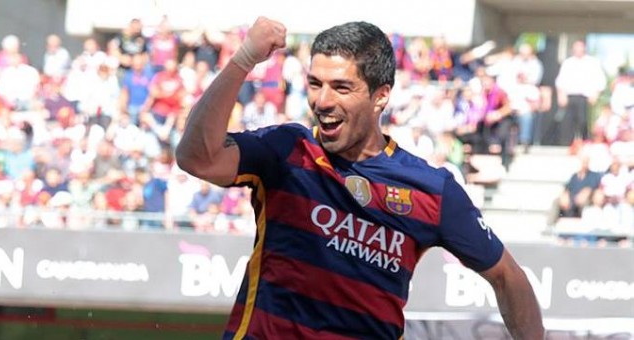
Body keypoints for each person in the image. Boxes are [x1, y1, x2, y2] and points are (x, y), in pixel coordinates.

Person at [176, 17, 544, 339]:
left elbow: (508, 277)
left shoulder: (431, 189)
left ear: (381, 96)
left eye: (341, 87)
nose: (322, 100)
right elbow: (197, 158)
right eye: (315, 84)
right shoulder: (285, 150)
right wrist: (244, 60)